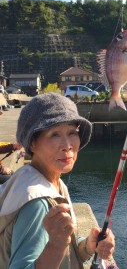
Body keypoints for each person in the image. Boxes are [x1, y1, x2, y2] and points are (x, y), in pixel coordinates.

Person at [0, 92, 116, 269]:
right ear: (32, 143)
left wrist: (87, 247)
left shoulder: (49, 181)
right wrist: (56, 245)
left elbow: (64, 256)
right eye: (54, 134)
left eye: (72, 132)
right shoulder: (37, 204)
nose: (67, 144)